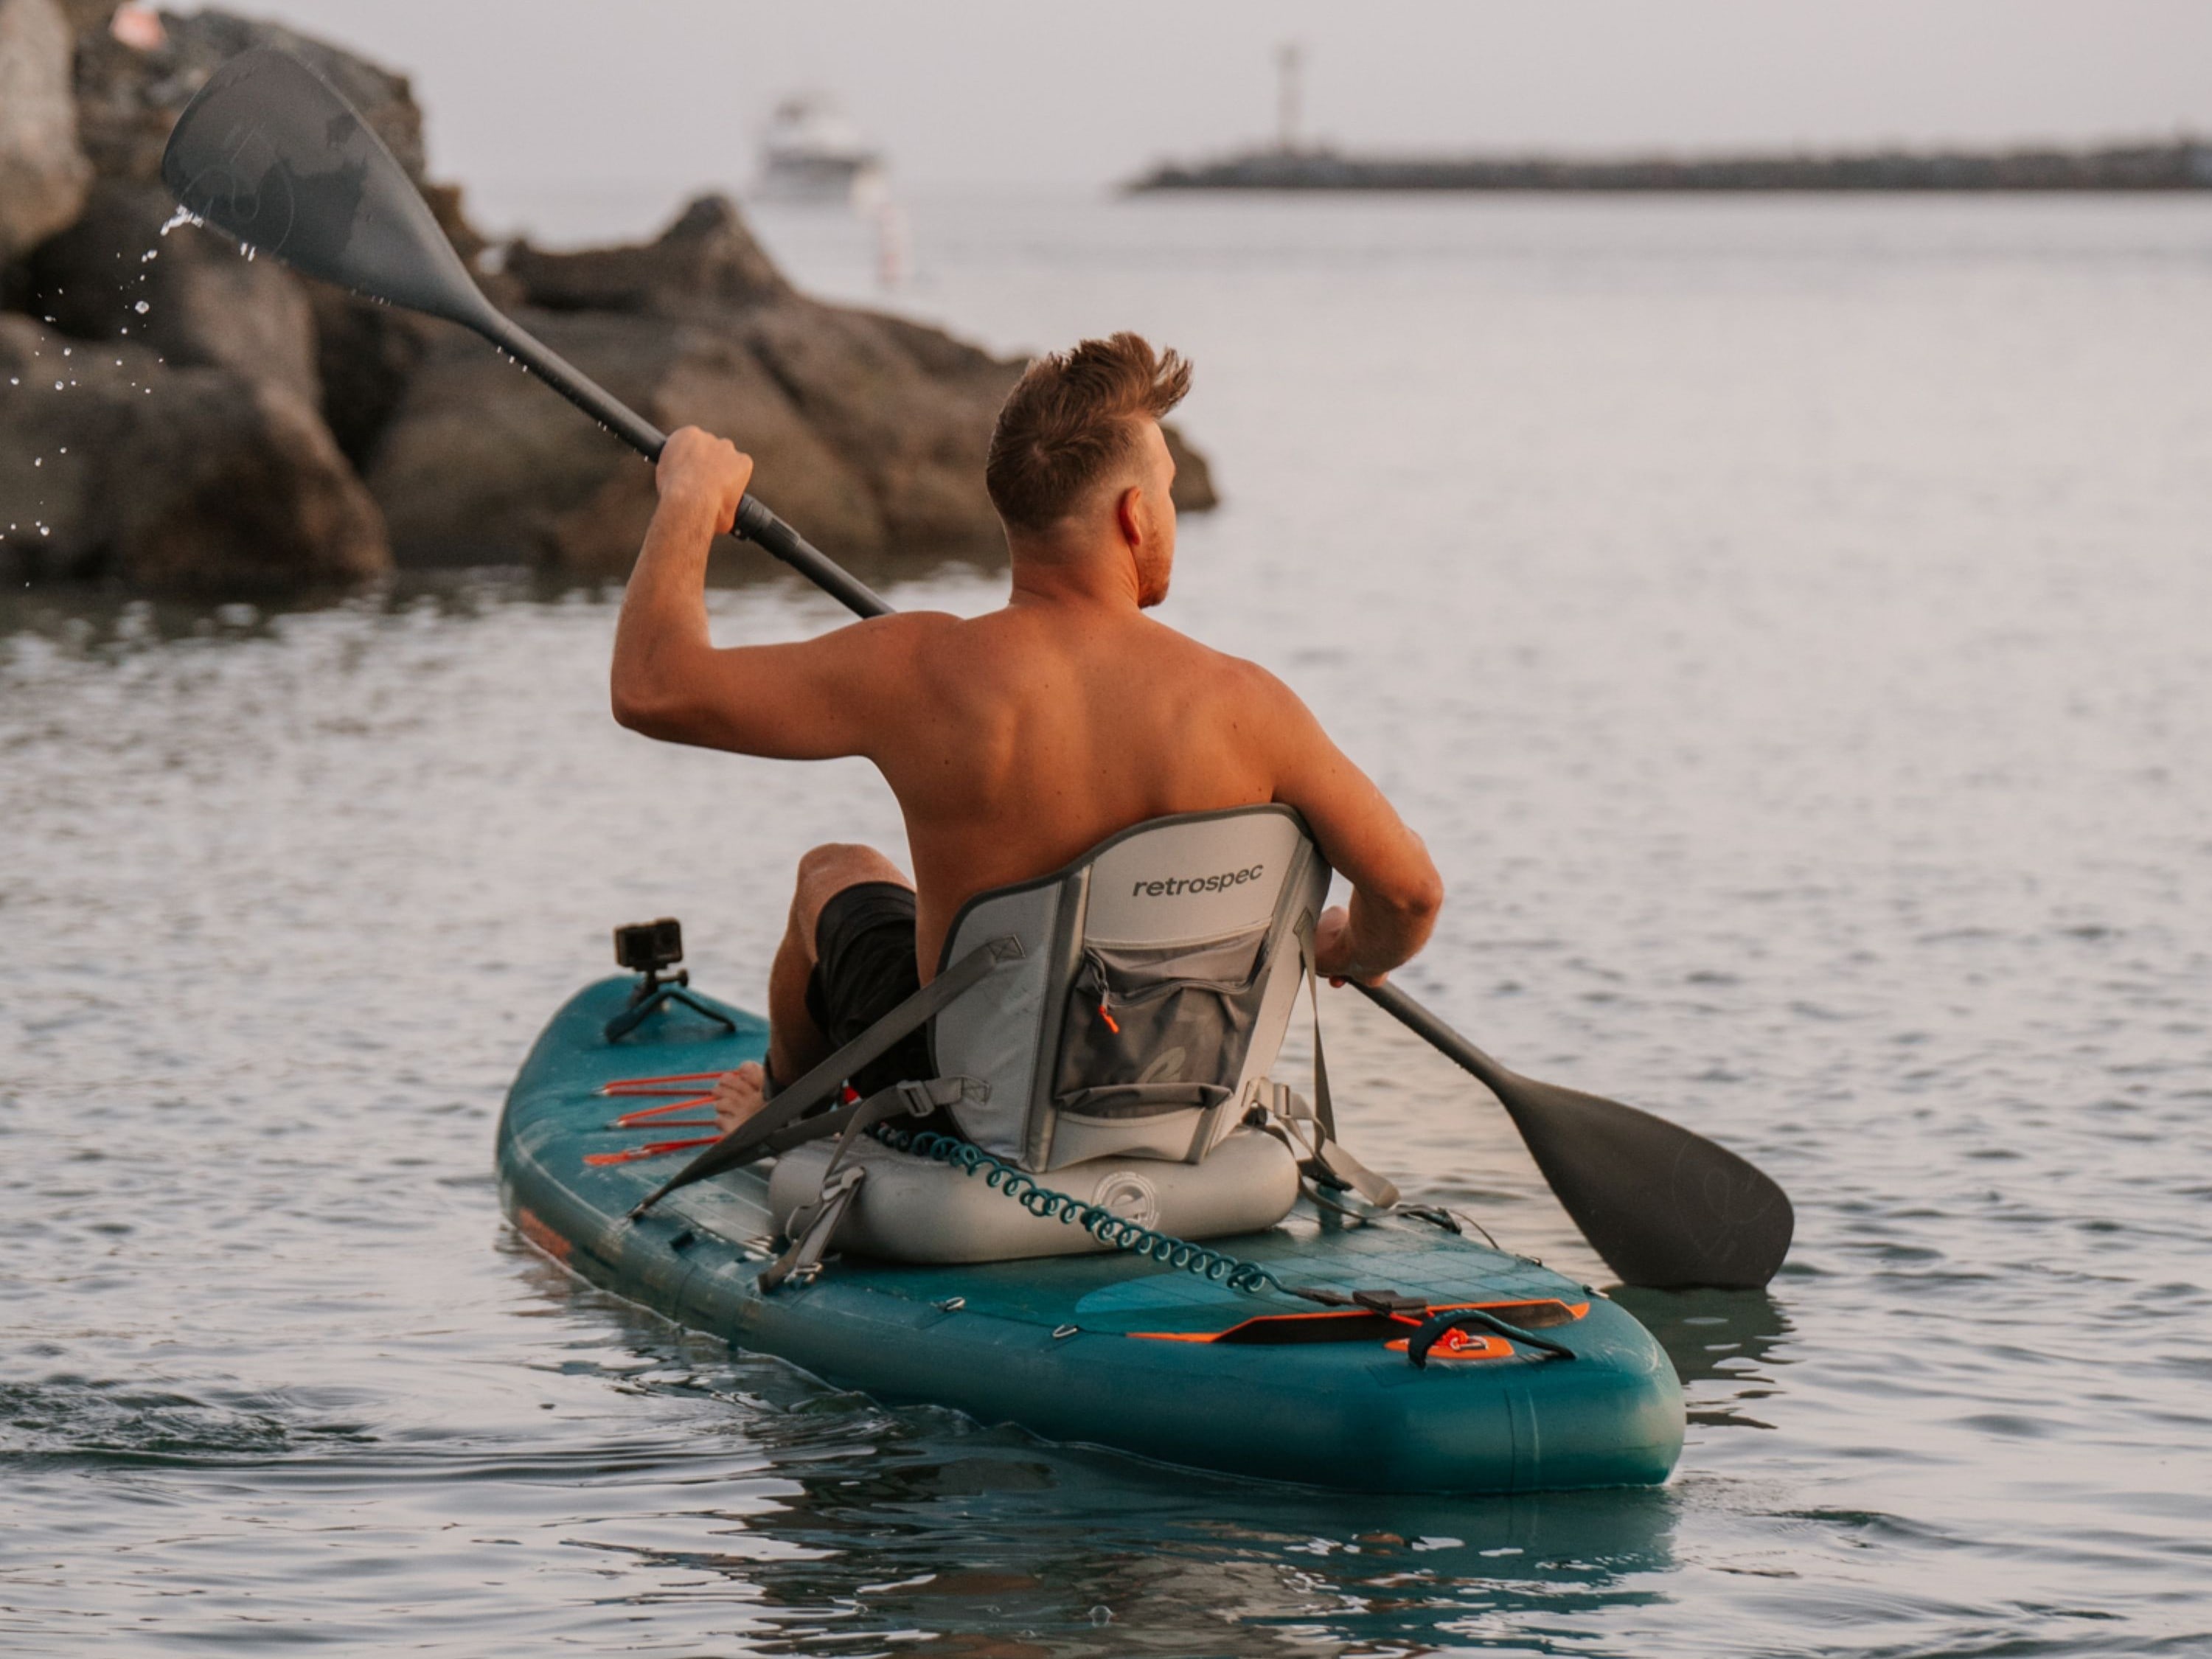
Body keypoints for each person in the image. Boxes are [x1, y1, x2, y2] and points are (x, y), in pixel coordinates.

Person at [609, 333, 1442, 1134]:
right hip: (1183, 1085)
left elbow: (653, 687)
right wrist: (1347, 947)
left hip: (971, 1101)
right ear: (1133, 514)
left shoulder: (915, 671)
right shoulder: (1251, 707)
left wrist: (688, 498)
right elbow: (1410, 895)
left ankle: (784, 1107)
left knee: (835, 872)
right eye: (1169, 492)